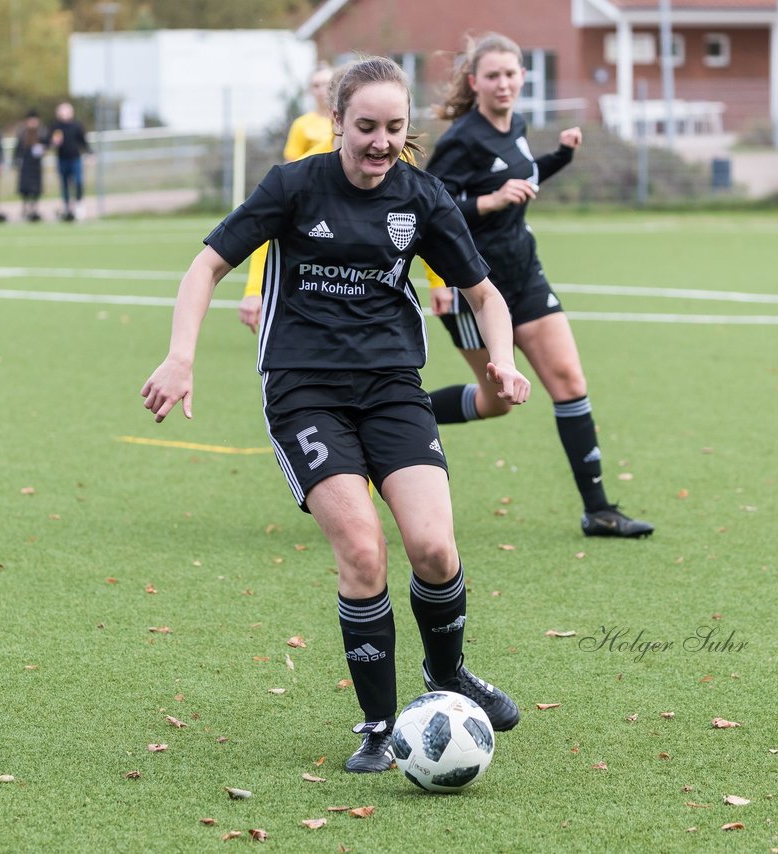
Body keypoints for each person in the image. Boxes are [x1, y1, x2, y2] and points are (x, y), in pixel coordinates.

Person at [142, 57, 531, 773]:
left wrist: (502, 360)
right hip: (304, 390)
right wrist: (181, 356)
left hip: (391, 388)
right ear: (337, 121)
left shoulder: (423, 196)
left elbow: (485, 294)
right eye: (365, 128)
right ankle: (380, 726)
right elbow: (207, 267)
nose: (380, 143)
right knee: (361, 548)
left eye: (394, 128)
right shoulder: (295, 185)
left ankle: (447, 675)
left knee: (435, 550)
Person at [424, 33, 653, 539]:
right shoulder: (462, 139)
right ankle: (399, 414)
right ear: (474, 82)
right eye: (492, 76)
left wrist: (560, 158)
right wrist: (488, 203)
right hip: (475, 287)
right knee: (496, 403)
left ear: (523, 77)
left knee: (569, 382)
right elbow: (427, 210)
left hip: (525, 274)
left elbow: (519, 177)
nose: (503, 83)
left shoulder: (518, 125)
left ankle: (599, 511)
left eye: (511, 74)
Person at [237, 63, 336, 331]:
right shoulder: (303, 125)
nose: (322, 90)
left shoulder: (351, 124)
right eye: (316, 85)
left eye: (327, 83)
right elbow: (293, 166)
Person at [51, 102, 91, 221]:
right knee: (64, 184)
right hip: (62, 159)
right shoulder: (56, 127)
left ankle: (79, 205)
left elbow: (83, 141)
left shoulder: (77, 126)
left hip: (75, 159)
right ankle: (67, 208)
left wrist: (89, 153)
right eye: (62, 111)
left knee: (78, 182)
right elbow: (51, 142)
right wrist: (53, 143)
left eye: (67, 111)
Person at [14, 109, 47, 222]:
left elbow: (46, 145)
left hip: (36, 164)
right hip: (25, 163)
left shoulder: (41, 133)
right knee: (25, 187)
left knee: (36, 188)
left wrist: (43, 149)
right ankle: (25, 208)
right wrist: (16, 160)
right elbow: (17, 148)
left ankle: (34, 209)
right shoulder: (22, 133)